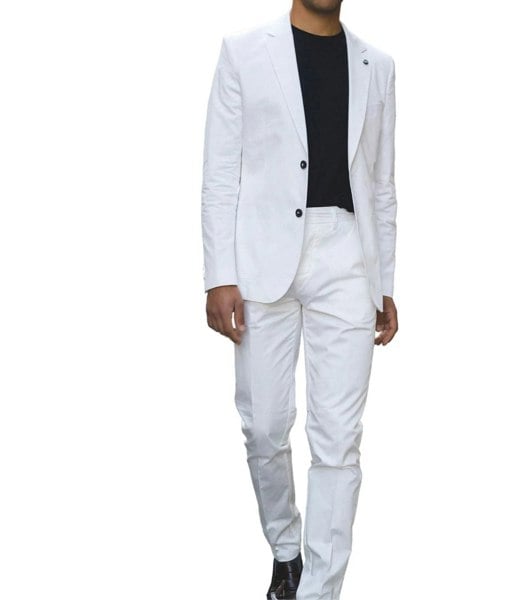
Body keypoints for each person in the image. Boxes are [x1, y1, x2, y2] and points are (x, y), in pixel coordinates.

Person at [201, 1, 398, 598]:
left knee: (338, 438)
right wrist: (218, 274)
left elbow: (382, 184)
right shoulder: (243, 52)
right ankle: (286, 548)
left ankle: (318, 590)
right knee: (264, 426)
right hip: (262, 255)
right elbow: (220, 172)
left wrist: (385, 284)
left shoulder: (378, 64)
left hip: (348, 255)